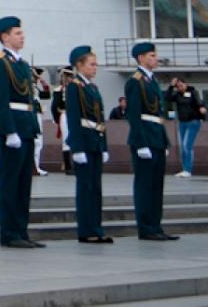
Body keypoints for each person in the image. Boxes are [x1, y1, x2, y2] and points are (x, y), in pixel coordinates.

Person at [0, 16, 42, 248]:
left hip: (26, 125)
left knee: (23, 183)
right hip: (12, 127)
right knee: (10, 182)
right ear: (5, 37)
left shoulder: (21, 64)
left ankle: (21, 230)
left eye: (22, 32)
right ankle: (10, 234)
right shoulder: (0, 63)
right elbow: (1, 99)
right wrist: (9, 131)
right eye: (17, 33)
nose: (22, 36)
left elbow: (28, 97)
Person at [125, 42, 179, 241]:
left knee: (157, 186)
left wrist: (164, 141)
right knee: (145, 185)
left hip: (156, 137)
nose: (156, 58)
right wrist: (141, 144)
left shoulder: (152, 81)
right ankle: (146, 228)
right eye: (152, 55)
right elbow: (134, 114)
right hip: (145, 139)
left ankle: (156, 226)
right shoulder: (135, 81)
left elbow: (158, 114)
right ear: (141, 58)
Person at [65, 46, 112, 244]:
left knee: (96, 188)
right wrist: (77, 148)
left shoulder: (92, 87)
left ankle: (96, 227)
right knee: (86, 188)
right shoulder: (75, 87)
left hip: (95, 141)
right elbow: (74, 118)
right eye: (91, 64)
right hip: (84, 142)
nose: (95, 67)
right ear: (79, 65)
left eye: (95, 64)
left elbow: (100, 118)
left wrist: (104, 146)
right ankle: (86, 230)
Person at [165, 76, 205, 177]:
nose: (180, 88)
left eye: (181, 85)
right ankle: (184, 169)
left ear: (185, 84)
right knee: (182, 146)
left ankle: (188, 169)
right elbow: (167, 98)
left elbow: (199, 102)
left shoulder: (192, 92)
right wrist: (171, 86)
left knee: (187, 145)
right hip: (182, 122)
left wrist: (201, 108)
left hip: (193, 121)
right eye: (178, 86)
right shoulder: (177, 95)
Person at [32, 67, 51, 176]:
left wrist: (42, 81)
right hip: (34, 116)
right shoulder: (31, 88)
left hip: (38, 115)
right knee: (37, 142)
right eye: (36, 76)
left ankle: (36, 166)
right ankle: (35, 167)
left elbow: (47, 95)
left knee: (38, 142)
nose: (36, 79)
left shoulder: (36, 88)